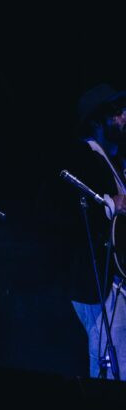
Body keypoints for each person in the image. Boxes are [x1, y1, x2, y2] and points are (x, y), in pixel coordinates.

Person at [59, 83, 126, 380]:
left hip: (116, 281)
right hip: (98, 284)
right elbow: (59, 211)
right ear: (97, 121)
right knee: (109, 368)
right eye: (116, 113)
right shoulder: (83, 157)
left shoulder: (112, 163)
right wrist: (113, 202)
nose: (124, 117)